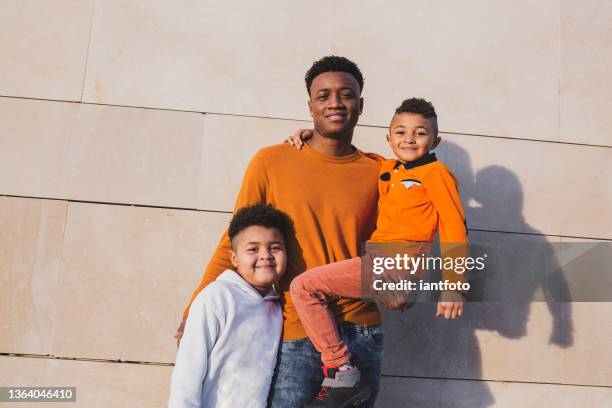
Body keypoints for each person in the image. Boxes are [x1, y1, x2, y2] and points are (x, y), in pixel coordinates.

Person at [175, 56, 384, 408]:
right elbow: (234, 240)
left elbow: (404, 238)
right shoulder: (271, 162)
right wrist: (193, 309)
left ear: (360, 105)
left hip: (360, 331)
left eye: (346, 94)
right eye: (324, 96)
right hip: (295, 331)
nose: (335, 102)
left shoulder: (380, 172)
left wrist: (413, 286)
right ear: (310, 106)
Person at [287, 97, 468, 407]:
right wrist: (311, 136)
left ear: (435, 140)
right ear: (389, 138)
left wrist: (454, 285)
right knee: (321, 292)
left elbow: (455, 226)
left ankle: (341, 369)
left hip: (397, 263)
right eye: (400, 132)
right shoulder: (388, 168)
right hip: (379, 261)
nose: (408, 139)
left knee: (303, 287)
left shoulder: (437, 174)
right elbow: (359, 158)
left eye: (420, 133)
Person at [168, 204, 291, 407]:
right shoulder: (217, 297)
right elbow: (187, 372)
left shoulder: (277, 308)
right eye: (253, 249)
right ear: (234, 259)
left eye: (275, 247)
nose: (265, 255)